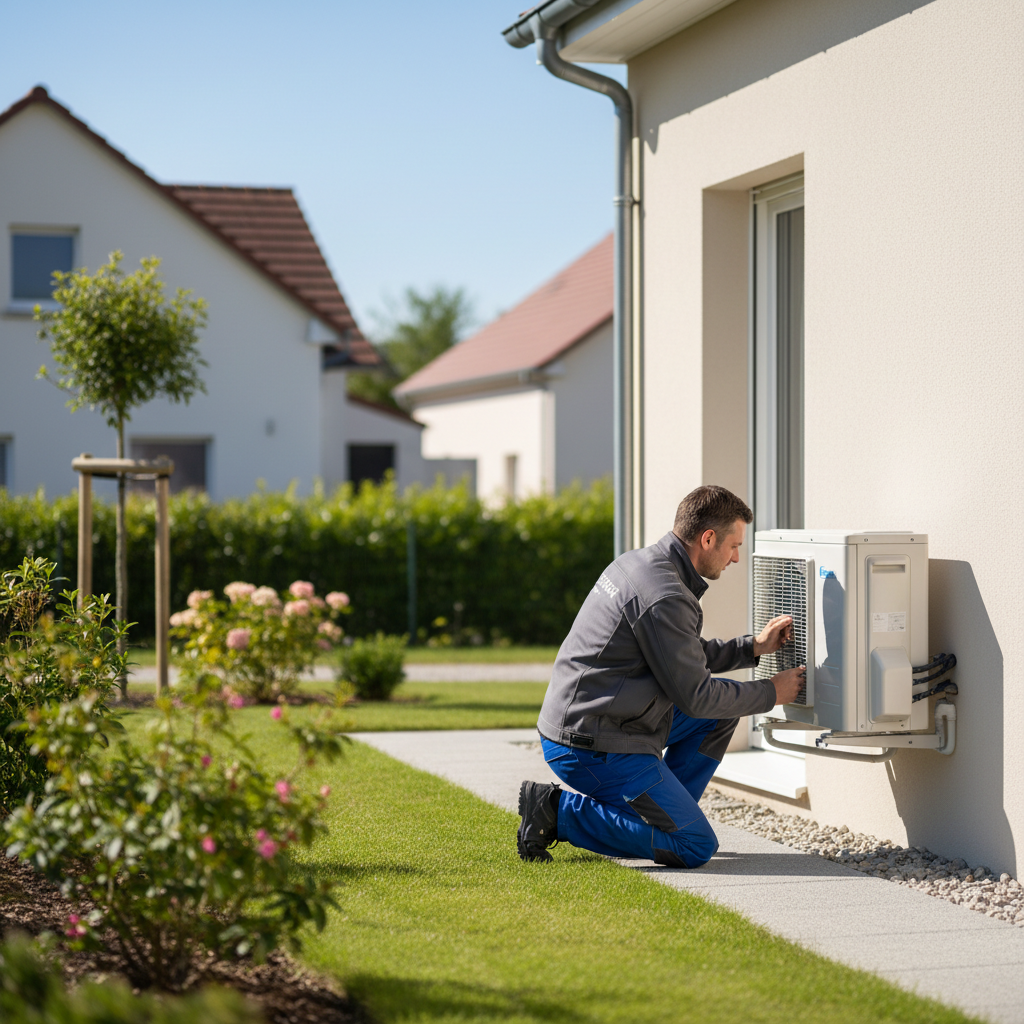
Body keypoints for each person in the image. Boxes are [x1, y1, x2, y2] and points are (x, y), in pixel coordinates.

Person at [516, 485, 805, 868]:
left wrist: (751, 647)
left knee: (720, 715)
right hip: (589, 743)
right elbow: (696, 696)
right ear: (707, 538)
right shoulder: (664, 594)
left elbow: (679, 656)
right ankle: (556, 811)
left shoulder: (642, 564)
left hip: (608, 718)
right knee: (694, 845)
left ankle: (655, 817)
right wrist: (771, 692)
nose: (736, 558)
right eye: (734, 546)